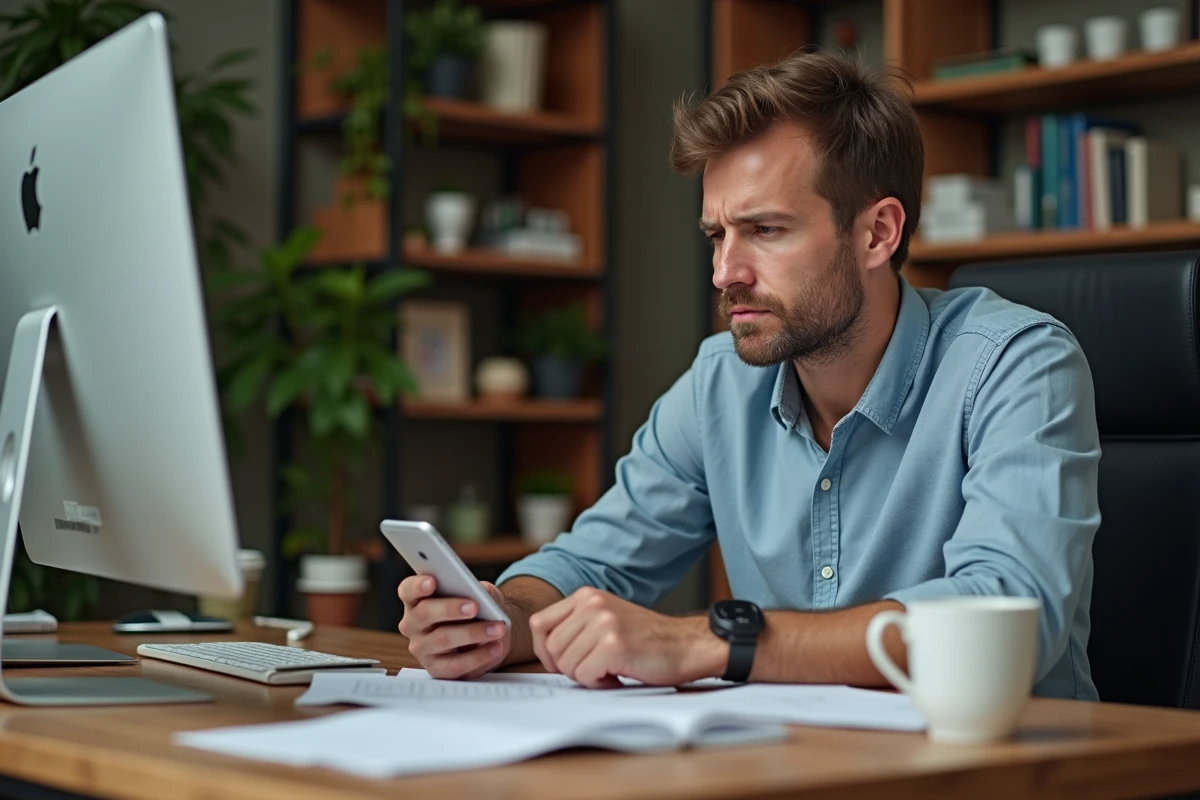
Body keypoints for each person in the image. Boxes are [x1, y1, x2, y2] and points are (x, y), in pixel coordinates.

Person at [397, 48, 1101, 700]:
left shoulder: (1017, 364)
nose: (724, 273)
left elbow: (1008, 616)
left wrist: (711, 639)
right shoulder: (718, 386)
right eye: (716, 235)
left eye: (765, 231)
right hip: (794, 765)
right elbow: (593, 564)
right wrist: (497, 621)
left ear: (878, 233)